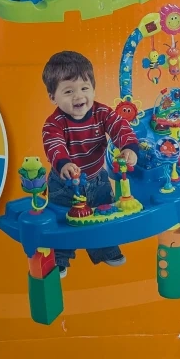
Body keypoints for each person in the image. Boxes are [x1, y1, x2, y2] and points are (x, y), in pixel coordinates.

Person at [42, 50, 139, 276]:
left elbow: (120, 127)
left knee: (104, 213)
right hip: (65, 183)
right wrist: (64, 164)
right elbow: (54, 145)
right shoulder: (54, 124)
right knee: (63, 220)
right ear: (53, 97)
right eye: (68, 91)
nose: (78, 96)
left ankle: (105, 249)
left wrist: (129, 147)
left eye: (84, 88)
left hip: (98, 179)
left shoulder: (102, 113)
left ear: (93, 89)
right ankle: (60, 257)